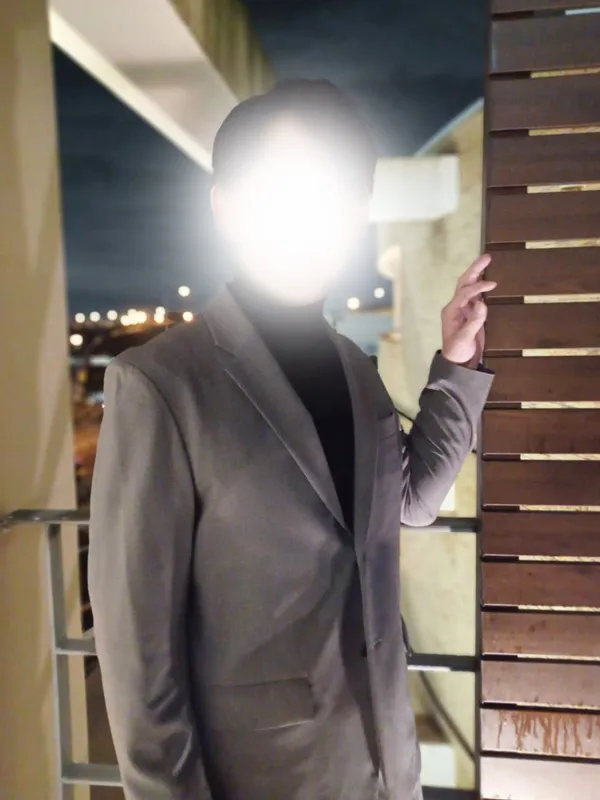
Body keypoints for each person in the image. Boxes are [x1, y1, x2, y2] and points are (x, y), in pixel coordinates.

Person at [88, 79, 495, 800]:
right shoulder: (161, 384)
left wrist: (456, 364)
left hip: (386, 764)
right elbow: (138, 662)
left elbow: (409, 501)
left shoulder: (353, 369)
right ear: (226, 208)